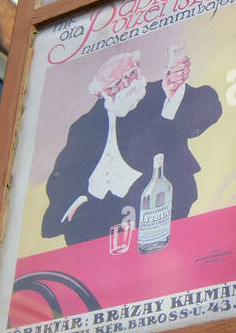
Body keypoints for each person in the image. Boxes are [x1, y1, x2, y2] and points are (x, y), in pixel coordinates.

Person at [42, 50, 221, 246]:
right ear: (102, 93)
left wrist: (175, 95)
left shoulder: (160, 92)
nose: (125, 85)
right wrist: (74, 206)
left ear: (138, 71)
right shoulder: (85, 126)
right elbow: (63, 173)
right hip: (96, 217)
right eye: (115, 85)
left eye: (130, 75)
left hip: (155, 203)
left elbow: (208, 104)